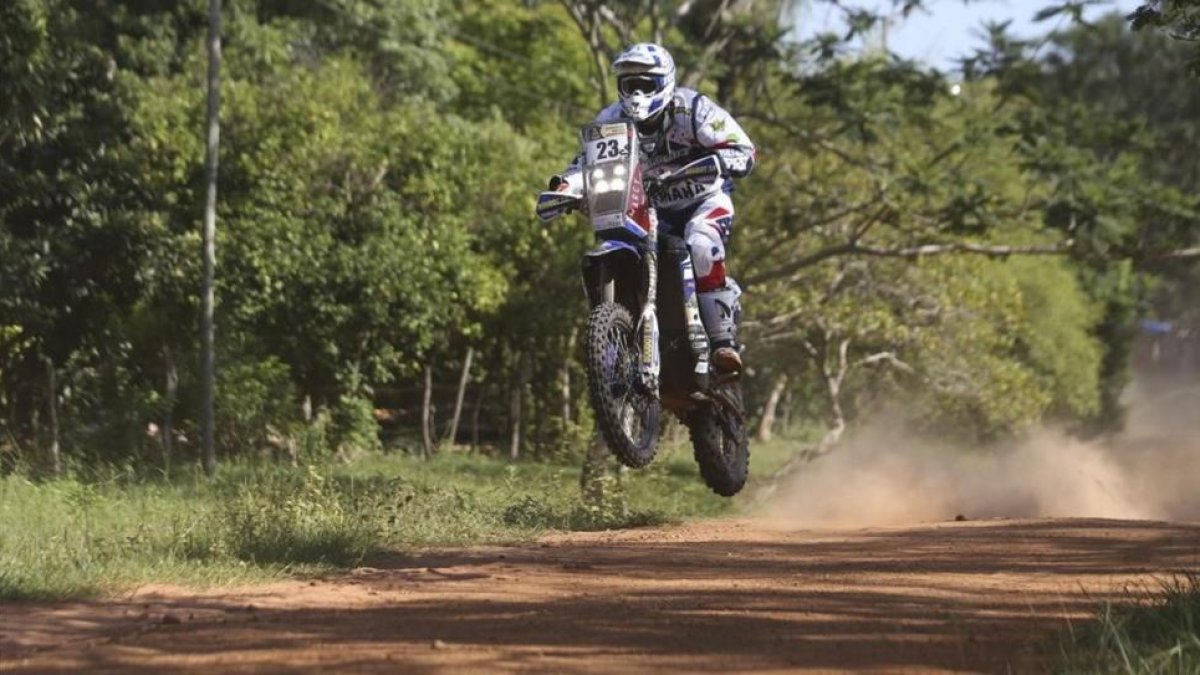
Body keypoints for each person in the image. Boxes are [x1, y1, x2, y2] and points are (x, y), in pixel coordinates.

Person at [547, 42, 756, 375]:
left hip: (702, 201)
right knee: (618, 248)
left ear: (665, 82)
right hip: (646, 209)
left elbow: (743, 148)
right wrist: (564, 189)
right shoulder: (611, 119)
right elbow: (584, 164)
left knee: (702, 245)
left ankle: (722, 343)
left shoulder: (693, 109)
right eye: (630, 84)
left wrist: (719, 160)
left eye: (646, 84)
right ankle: (618, 343)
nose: (637, 92)